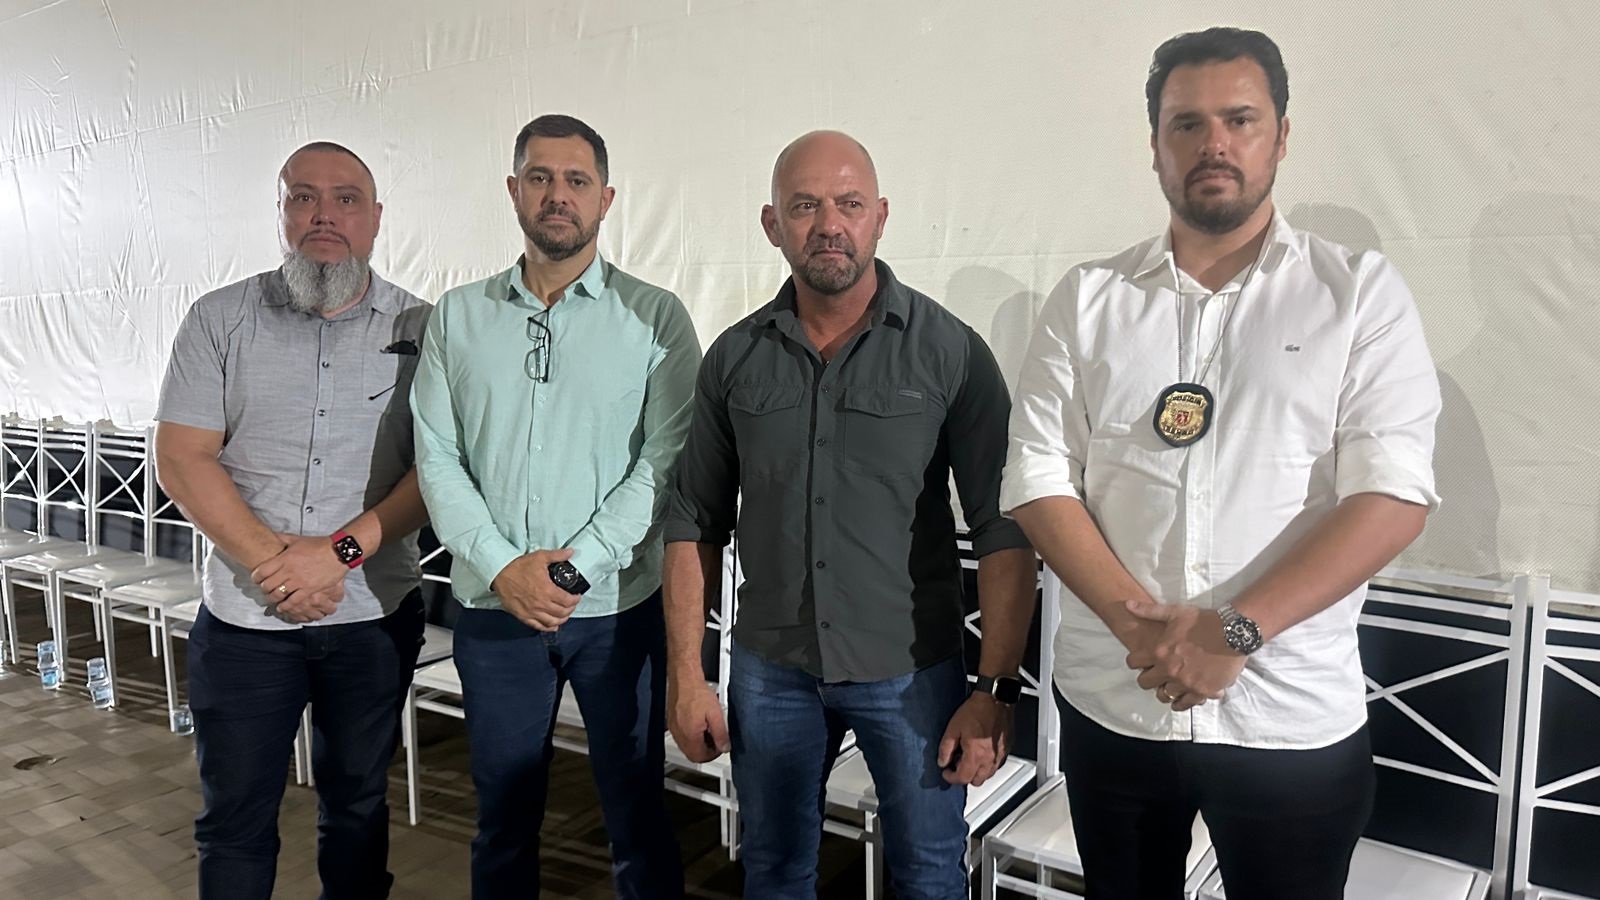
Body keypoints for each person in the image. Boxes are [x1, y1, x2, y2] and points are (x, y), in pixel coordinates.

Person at [1000, 27, 1442, 900]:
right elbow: (1039, 476)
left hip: (1287, 717)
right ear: (1155, 145)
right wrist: (1143, 633)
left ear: (1281, 136)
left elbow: (1393, 495)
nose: (1214, 144)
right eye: (1187, 124)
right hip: (1118, 702)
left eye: (1239, 119)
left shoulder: (1357, 293)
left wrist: (1234, 632)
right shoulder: (1089, 299)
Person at [662, 130, 1036, 900]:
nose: (828, 224)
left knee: (928, 876)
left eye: (849, 204)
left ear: (880, 217)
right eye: (804, 206)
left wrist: (994, 691)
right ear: (772, 224)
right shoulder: (733, 359)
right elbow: (693, 520)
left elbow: (1003, 528)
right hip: (770, 668)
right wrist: (688, 677)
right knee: (774, 872)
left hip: (913, 673)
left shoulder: (951, 352)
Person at [410, 113, 698, 900]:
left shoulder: (656, 318)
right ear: (514, 191)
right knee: (503, 819)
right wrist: (504, 567)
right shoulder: (457, 317)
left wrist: (574, 570)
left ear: (607, 198)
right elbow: (436, 459)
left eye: (576, 180)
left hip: (615, 612)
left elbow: (664, 464)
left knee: (637, 814)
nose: (557, 195)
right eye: (540, 178)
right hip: (495, 610)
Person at [155, 141, 431, 900]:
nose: (324, 215)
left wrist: (332, 557)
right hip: (246, 620)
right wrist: (278, 567)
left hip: (371, 616)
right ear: (281, 212)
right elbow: (182, 457)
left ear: (376, 217)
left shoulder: (426, 328)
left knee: (358, 808)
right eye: (303, 197)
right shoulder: (218, 319)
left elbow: (437, 472)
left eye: (346, 199)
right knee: (235, 820)